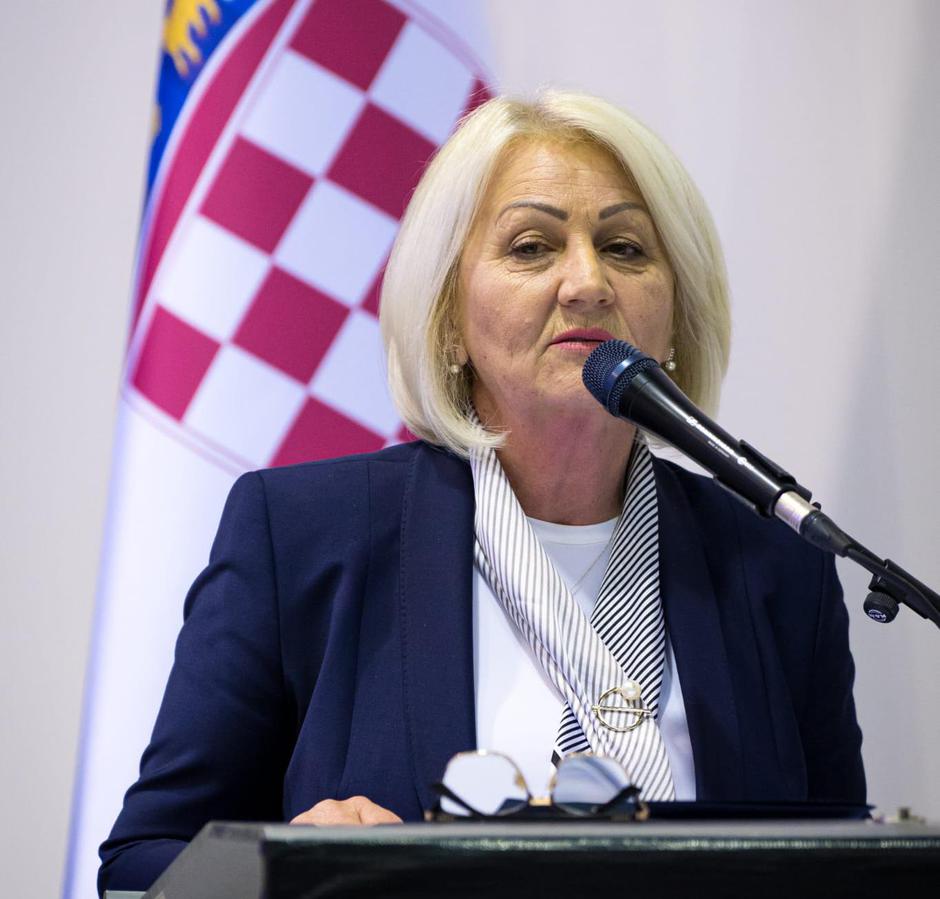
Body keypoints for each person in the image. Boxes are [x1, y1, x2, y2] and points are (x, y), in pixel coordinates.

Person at [98, 91, 865, 894]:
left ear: (674, 316)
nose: (587, 281)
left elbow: (854, 869)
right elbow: (139, 863)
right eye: (532, 246)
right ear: (449, 319)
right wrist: (285, 865)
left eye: (625, 248)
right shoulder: (299, 537)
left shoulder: (778, 568)